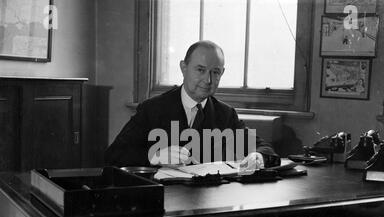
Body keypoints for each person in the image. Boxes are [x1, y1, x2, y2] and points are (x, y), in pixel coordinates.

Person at [105, 40, 280, 171]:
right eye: (200, 70)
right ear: (183, 68)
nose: (208, 80)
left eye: (215, 72)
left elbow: (265, 150)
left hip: (207, 202)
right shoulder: (152, 109)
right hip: (164, 200)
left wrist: (258, 156)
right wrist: (154, 155)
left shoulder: (225, 114)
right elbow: (114, 155)